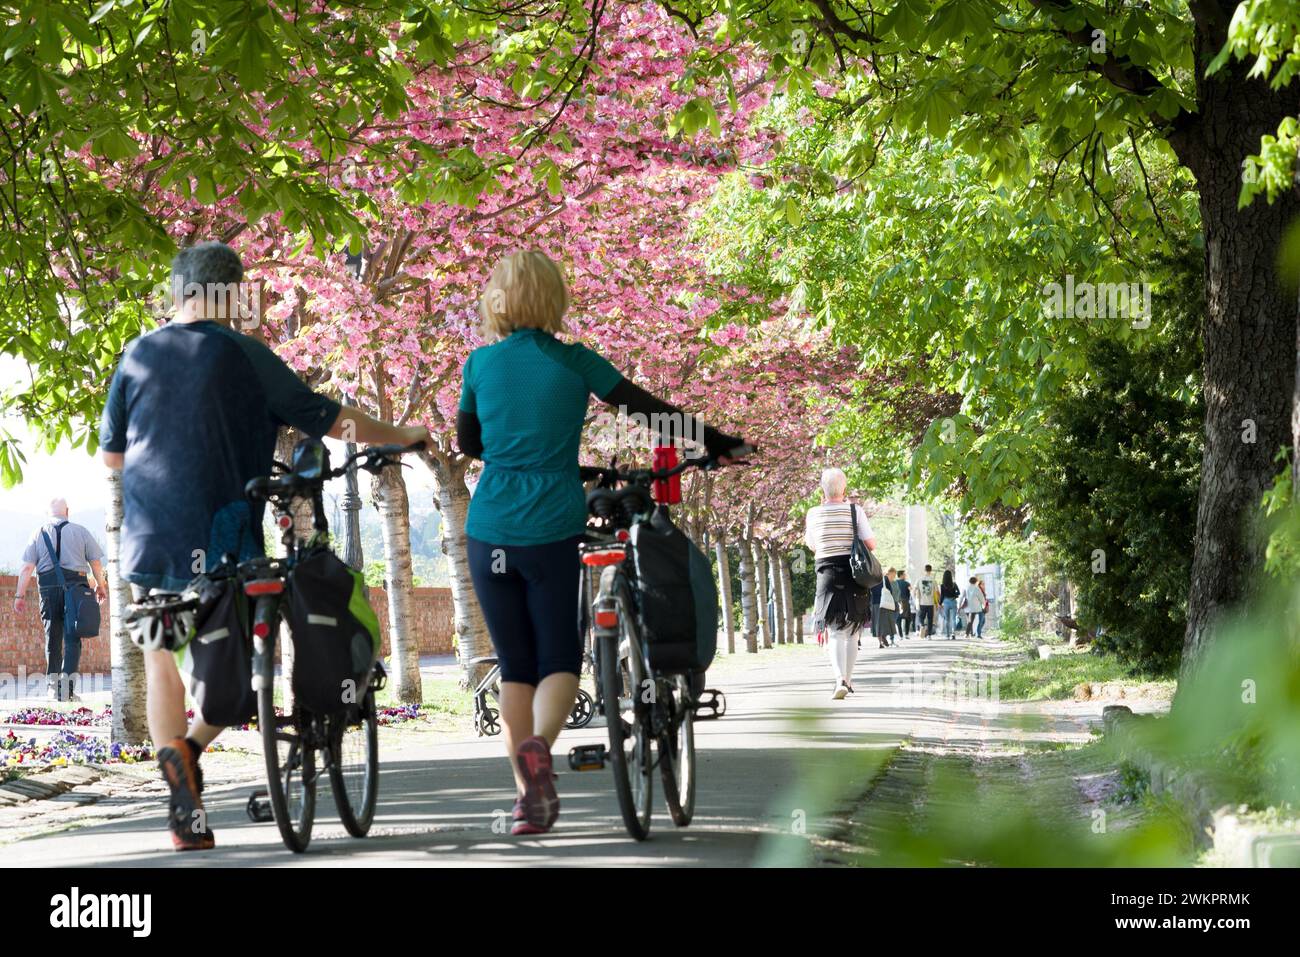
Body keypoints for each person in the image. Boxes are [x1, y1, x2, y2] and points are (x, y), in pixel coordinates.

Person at [99, 241, 429, 851]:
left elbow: (114, 456)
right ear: (230, 295)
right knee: (245, 670)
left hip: (148, 540)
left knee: (161, 655)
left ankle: (185, 807)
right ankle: (190, 750)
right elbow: (324, 417)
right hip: (225, 538)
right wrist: (403, 435)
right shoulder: (245, 354)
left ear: (178, 292)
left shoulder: (134, 356)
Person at [457, 250, 747, 833]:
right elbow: (648, 410)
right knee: (559, 658)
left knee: (515, 665)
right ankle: (540, 744)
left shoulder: (479, 365)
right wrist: (716, 442)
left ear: (499, 300)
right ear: (553, 300)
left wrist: (518, 449)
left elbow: (469, 443)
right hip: (552, 526)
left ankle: (529, 798)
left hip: (490, 530)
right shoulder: (575, 363)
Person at [13, 500, 108, 701]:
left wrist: (19, 595)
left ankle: (51, 687)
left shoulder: (38, 533)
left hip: (47, 588)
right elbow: (96, 562)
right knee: (73, 637)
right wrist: (101, 585)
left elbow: (26, 568)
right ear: (67, 512)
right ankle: (66, 690)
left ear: (48, 513)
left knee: (52, 637)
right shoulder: (81, 531)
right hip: (77, 587)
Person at [805, 467, 875, 699]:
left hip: (827, 574)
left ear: (822, 490)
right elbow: (871, 544)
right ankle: (849, 679)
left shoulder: (813, 513)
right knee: (853, 630)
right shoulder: (856, 511)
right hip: (854, 573)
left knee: (835, 630)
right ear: (843, 488)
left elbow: (812, 545)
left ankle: (839, 680)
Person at [879, 568, 899, 647]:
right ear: (888, 573)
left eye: (894, 575)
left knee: (893, 621)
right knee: (889, 621)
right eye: (892, 575)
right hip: (887, 604)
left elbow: (898, 592)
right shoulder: (884, 581)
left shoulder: (895, 583)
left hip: (895, 603)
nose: (894, 577)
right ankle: (889, 639)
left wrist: (899, 602)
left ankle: (890, 638)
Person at [916, 564, 936, 638]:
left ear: (924, 570)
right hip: (930, 602)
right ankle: (929, 635)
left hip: (922, 602)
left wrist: (917, 598)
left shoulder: (919, 579)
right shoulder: (933, 580)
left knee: (921, 617)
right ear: (931, 570)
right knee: (930, 619)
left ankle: (922, 625)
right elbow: (936, 591)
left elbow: (915, 589)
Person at [939, 569, 960, 639]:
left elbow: (942, 595)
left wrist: (940, 603)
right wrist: (955, 595)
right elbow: (958, 592)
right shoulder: (954, 584)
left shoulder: (942, 585)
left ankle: (947, 635)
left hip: (946, 602)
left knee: (947, 619)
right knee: (953, 619)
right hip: (953, 601)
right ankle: (953, 634)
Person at [895, 569, 913, 639]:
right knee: (908, 618)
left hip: (897, 601)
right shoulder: (907, 583)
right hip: (905, 601)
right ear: (901, 575)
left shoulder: (895, 582)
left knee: (898, 619)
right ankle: (907, 634)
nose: (905, 576)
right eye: (905, 574)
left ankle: (900, 635)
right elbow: (911, 590)